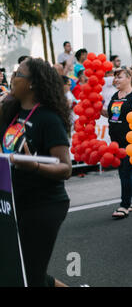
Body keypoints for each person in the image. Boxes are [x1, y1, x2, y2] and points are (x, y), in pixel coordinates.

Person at [0, 57, 72, 287]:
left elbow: (65, 168)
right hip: (14, 202)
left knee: (30, 275)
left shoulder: (48, 119)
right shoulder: (10, 112)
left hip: (44, 206)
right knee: (19, 270)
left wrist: (35, 166)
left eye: (18, 74)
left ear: (32, 83)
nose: (12, 78)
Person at [101, 66, 132, 219]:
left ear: (129, 78)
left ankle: (124, 205)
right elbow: (112, 115)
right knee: (130, 170)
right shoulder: (115, 95)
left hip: (131, 141)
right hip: (116, 141)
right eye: (115, 77)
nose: (115, 80)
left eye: (119, 77)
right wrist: (99, 108)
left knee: (124, 171)